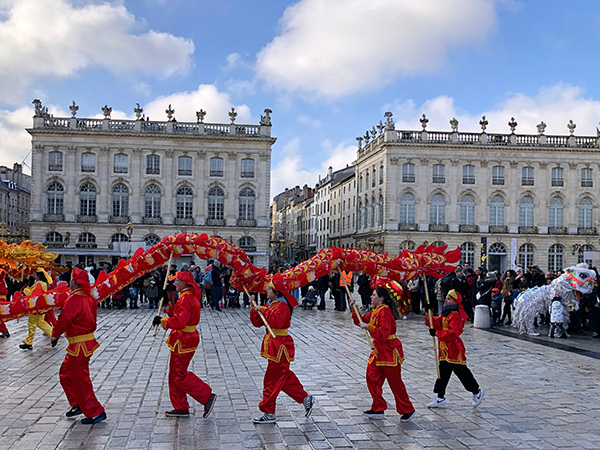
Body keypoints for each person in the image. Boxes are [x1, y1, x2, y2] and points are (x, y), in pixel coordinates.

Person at [249, 274, 314, 424]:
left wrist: (263, 309)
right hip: (274, 346)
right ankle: (305, 398)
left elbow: (276, 322)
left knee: (271, 381)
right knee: (284, 378)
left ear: (276, 291)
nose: (266, 289)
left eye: (269, 288)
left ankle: (269, 411)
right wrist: (254, 309)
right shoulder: (272, 305)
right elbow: (258, 323)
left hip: (280, 347)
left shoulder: (282, 306)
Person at [152, 271, 217, 418]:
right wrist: (168, 306)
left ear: (185, 283)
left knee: (178, 375)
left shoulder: (186, 299)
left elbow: (180, 322)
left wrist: (162, 321)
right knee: (175, 374)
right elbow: (179, 315)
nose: (175, 283)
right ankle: (180, 406)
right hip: (185, 339)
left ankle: (206, 395)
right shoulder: (187, 297)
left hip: (183, 339)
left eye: (178, 281)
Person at [349, 287, 416, 422]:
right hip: (379, 351)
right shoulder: (375, 311)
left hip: (389, 351)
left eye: (374, 295)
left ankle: (407, 409)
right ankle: (378, 406)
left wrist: (368, 327)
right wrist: (354, 309)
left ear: (381, 298)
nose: (371, 297)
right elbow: (361, 321)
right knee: (372, 377)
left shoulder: (385, 311)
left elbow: (383, 334)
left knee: (395, 382)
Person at [51, 268, 106, 424]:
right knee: (66, 373)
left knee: (80, 379)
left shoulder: (73, 300)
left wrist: (55, 334)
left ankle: (95, 411)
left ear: (74, 281)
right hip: (83, 343)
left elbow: (64, 319)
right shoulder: (88, 298)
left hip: (79, 345)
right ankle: (77, 403)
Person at [426, 289, 484, 409]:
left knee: (462, 372)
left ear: (455, 301)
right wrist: (429, 312)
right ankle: (440, 396)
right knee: (442, 373)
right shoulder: (445, 313)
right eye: (446, 298)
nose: (446, 300)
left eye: (448, 298)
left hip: (453, 349)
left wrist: (437, 334)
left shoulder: (456, 315)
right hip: (444, 349)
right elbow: (435, 323)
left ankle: (476, 391)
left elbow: (454, 332)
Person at [19, 271, 53, 350]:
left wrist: (25, 289)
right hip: (40, 307)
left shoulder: (39, 284)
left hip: (35, 307)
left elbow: (32, 294)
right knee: (40, 323)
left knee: (31, 324)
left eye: (35, 274)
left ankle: (29, 342)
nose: (33, 275)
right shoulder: (41, 283)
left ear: (38, 275)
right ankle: (53, 335)